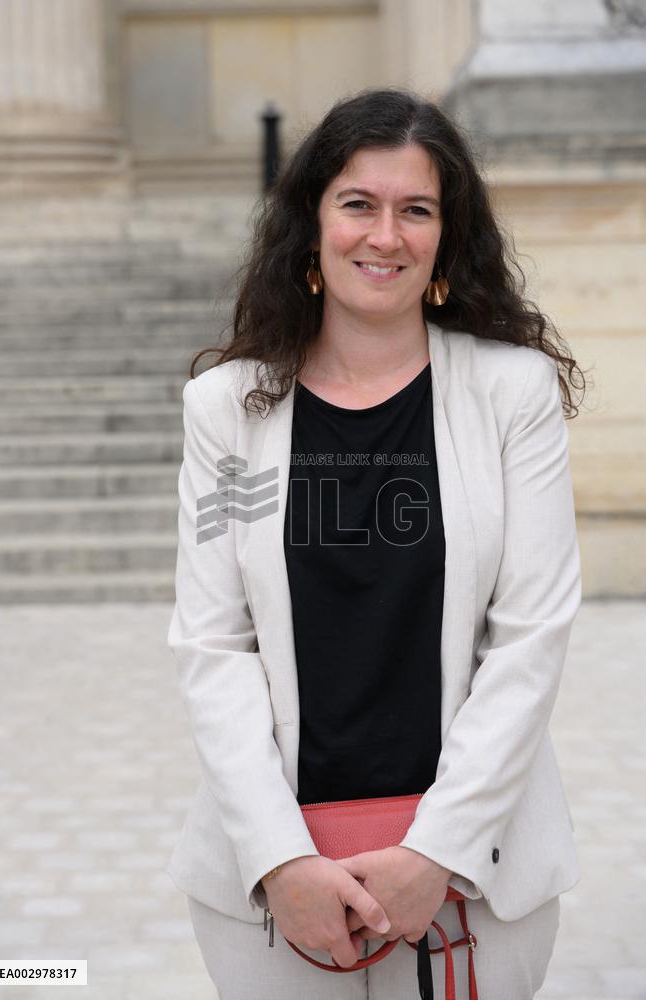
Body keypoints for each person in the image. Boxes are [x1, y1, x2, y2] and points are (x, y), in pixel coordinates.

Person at [166, 88, 586, 1000]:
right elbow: (214, 644)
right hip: (276, 892)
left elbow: (530, 639)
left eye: (417, 210)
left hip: (474, 879)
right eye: (359, 203)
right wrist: (282, 859)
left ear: (446, 238)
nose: (384, 235)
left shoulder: (511, 398)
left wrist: (436, 849)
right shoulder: (232, 413)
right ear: (312, 224)